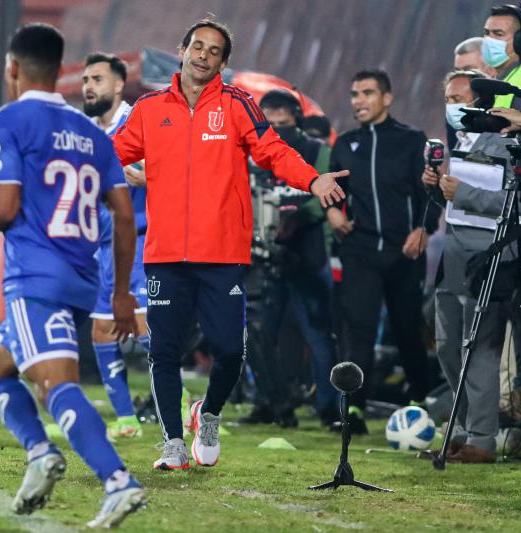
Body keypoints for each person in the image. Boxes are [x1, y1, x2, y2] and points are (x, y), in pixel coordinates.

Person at [113, 18, 346, 470]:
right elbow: (112, 153)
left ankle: (211, 414)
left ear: (222, 61)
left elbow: (273, 151)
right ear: (182, 51)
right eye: (196, 46)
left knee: (228, 350)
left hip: (222, 254)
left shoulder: (239, 105)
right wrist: (102, 166)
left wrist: (313, 179)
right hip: (164, 256)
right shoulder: (149, 107)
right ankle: (174, 445)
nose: (203, 55)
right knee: (162, 351)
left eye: (214, 50)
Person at [0, 24, 146, 527]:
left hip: (35, 276)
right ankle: (40, 453)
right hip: (82, 276)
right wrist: (119, 294)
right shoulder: (92, 132)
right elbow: (124, 213)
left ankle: (118, 482)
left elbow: (5, 207)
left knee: (56, 386)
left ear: (14, 69)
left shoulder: (10, 118)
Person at [325, 70, 437, 435]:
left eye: (367, 93)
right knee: (359, 331)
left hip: (403, 252)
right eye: (355, 93)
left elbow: (430, 194)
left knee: (407, 329)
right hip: (360, 251)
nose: (358, 100)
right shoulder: (344, 143)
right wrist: (333, 213)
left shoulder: (411, 140)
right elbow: (332, 191)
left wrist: (424, 229)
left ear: (387, 98)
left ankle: (420, 400)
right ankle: (353, 410)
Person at [420, 69, 510, 464]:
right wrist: (434, 186)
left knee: (481, 351)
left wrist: (467, 193)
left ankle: (482, 439)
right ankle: (457, 431)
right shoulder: (456, 142)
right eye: (449, 98)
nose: (454, 106)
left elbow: (520, 203)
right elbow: (448, 203)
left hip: (489, 255)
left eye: (462, 98)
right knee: (447, 346)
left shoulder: (510, 144)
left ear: (482, 102)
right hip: (452, 256)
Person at [242, 90, 338, 427]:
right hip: (263, 256)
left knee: (317, 333)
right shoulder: (251, 153)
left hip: (307, 254)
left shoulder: (317, 150)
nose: (276, 118)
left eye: (281, 111)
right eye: (268, 112)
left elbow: (326, 194)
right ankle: (268, 402)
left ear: (296, 115)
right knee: (261, 333)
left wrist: (296, 218)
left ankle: (329, 408)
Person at [81, 51, 148, 440]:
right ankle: (126, 420)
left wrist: (145, 178)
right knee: (102, 334)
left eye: (98, 79)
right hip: (99, 249)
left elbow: (175, 172)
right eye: (86, 80)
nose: (89, 87)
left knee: (144, 331)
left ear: (119, 84)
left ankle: (177, 402)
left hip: (138, 243)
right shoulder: (85, 133)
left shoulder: (138, 123)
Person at [482, 4, 521, 109]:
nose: (489, 40)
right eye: (486, 33)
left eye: (498, 34)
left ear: (519, 41)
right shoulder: (499, 79)